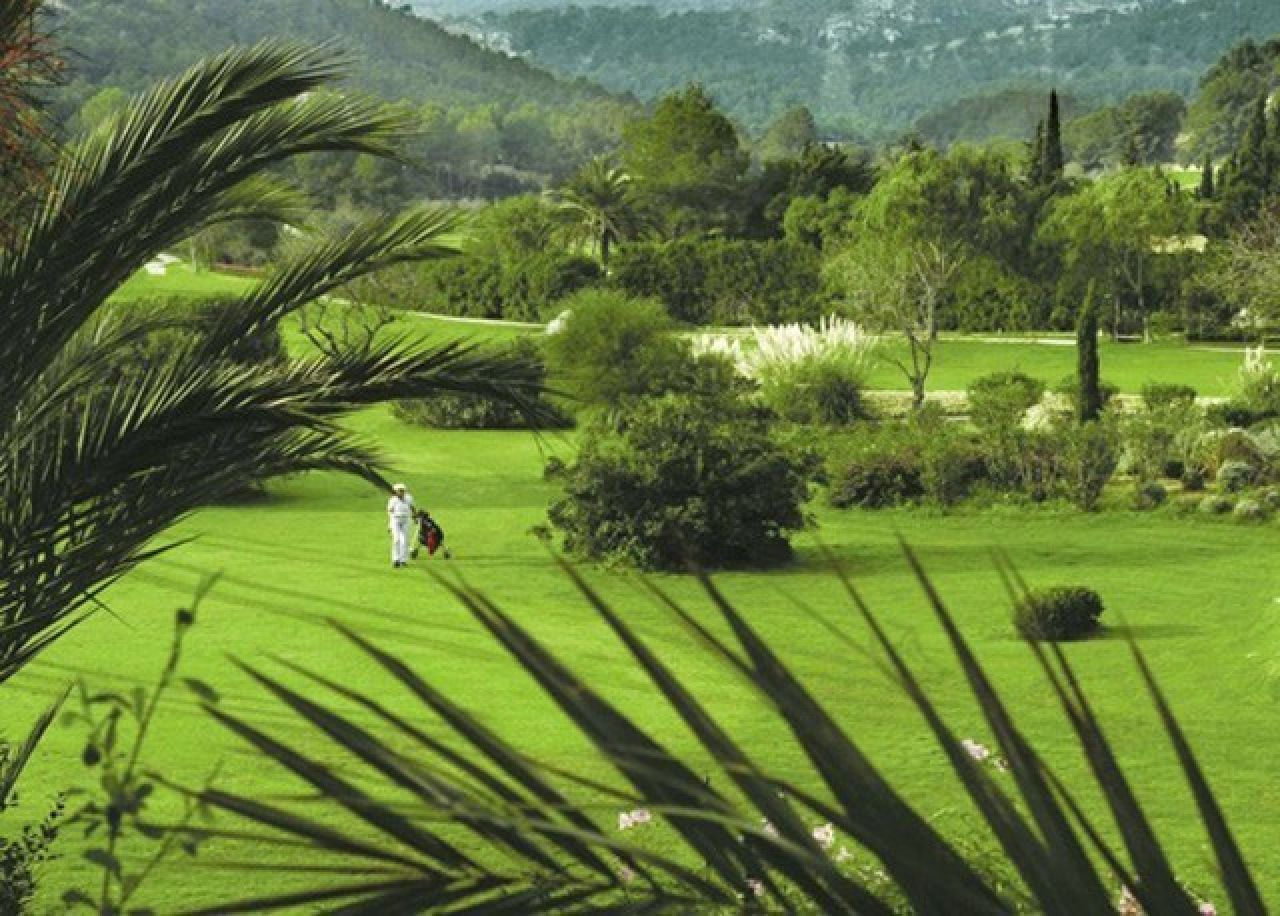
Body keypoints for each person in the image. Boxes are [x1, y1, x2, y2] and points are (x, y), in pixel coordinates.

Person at [386, 483, 415, 568]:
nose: (401, 492)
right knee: (396, 539)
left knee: (404, 540)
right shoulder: (393, 500)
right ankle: (396, 560)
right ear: (396, 491)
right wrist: (390, 525)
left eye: (402, 491)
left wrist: (415, 516)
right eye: (399, 491)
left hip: (406, 519)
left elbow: (412, 507)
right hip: (395, 520)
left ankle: (403, 560)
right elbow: (390, 512)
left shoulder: (409, 498)